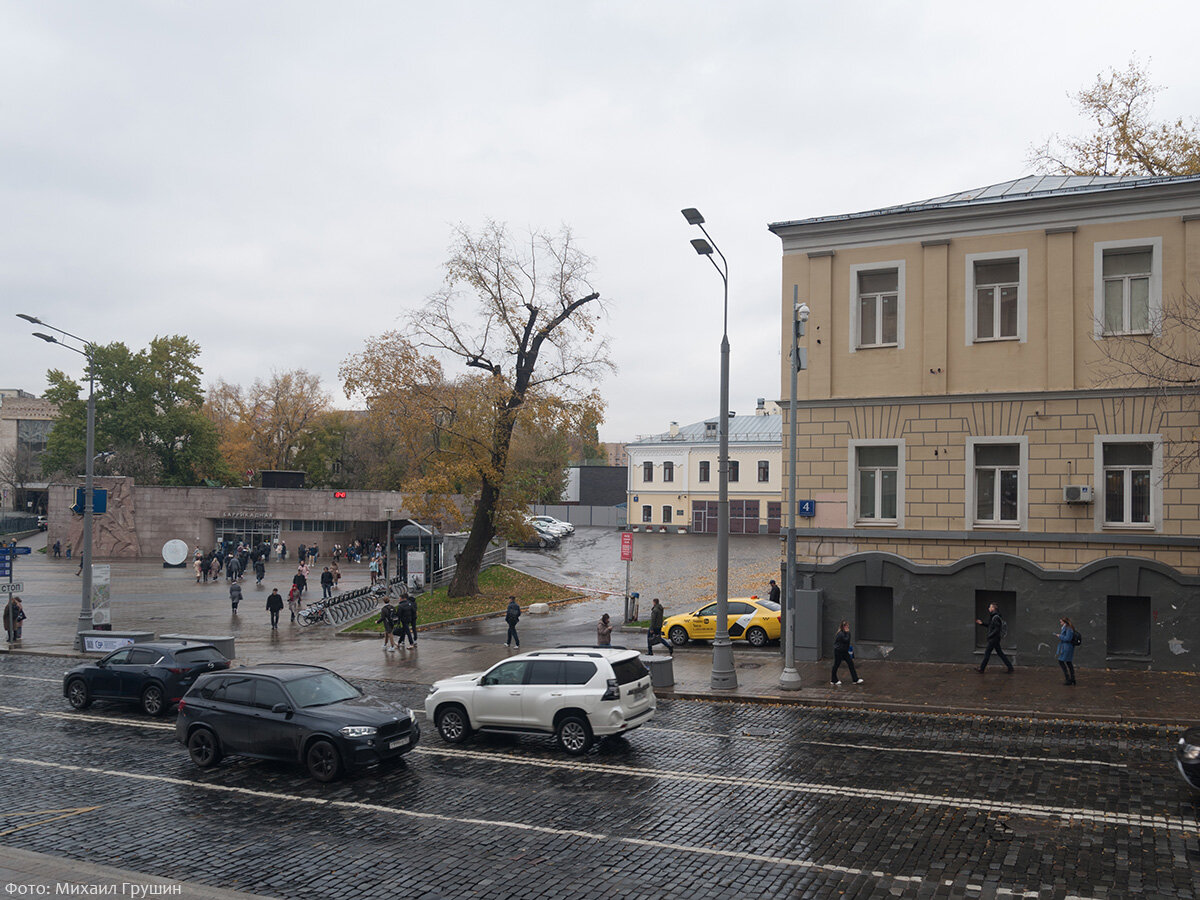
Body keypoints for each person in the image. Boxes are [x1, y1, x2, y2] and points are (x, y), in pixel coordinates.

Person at [975, 602, 1014, 673]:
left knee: (987, 653)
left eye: (990, 607)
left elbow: (997, 629)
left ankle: (982, 669)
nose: (989, 608)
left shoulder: (995, 617)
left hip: (993, 639)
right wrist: (982, 623)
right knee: (1000, 653)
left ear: (993, 608)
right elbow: (990, 626)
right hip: (995, 639)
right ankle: (1010, 668)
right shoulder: (994, 616)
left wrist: (990, 636)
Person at [830, 620, 863, 685]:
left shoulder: (844, 633)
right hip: (839, 652)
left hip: (844, 652)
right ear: (843, 627)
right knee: (836, 665)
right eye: (846, 626)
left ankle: (855, 679)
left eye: (848, 626)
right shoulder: (841, 634)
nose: (847, 627)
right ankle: (833, 679)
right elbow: (846, 640)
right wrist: (848, 633)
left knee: (850, 663)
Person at [1056, 616, 1077, 685]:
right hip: (1067, 647)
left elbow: (1068, 638)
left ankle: (1068, 679)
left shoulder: (1068, 629)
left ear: (1065, 622)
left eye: (1061, 622)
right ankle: (1072, 679)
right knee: (1068, 662)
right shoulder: (1067, 628)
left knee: (1061, 661)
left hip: (1067, 648)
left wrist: (1060, 636)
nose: (1060, 623)